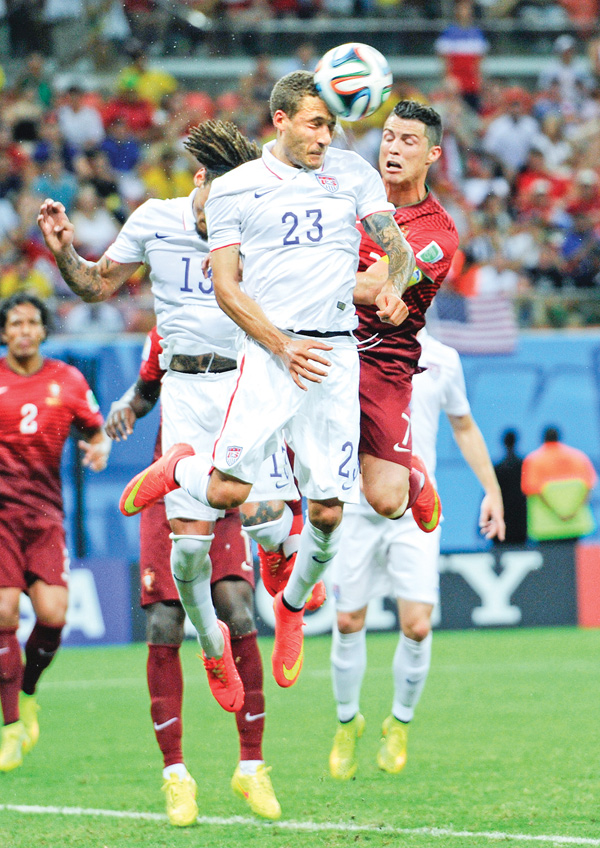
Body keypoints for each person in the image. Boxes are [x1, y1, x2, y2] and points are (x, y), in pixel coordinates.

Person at [38, 120, 306, 817]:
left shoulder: (255, 223)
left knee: (249, 579)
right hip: (184, 395)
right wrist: (65, 251)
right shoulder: (154, 220)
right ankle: (177, 773)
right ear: (196, 181)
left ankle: (253, 762)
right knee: (168, 612)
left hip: (244, 386)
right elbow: (96, 285)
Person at [119, 71, 415, 692]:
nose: (325, 136)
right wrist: (281, 347)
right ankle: (178, 468)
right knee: (227, 494)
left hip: (336, 355)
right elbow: (226, 287)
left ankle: (290, 607)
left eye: (332, 124)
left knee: (330, 514)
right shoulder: (239, 188)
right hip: (270, 352)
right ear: (279, 120)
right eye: (315, 123)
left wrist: (392, 281)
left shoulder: (353, 174)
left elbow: (394, 245)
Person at [105, 326, 281, 824]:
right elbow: (144, 393)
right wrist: (124, 409)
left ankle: (252, 765)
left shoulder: (250, 317)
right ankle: (176, 775)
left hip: (228, 480)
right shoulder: (171, 326)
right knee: (163, 623)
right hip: (172, 487)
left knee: (238, 607)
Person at [328, 327, 505, 781]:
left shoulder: (443, 359)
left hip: (415, 510)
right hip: (356, 505)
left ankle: (399, 723)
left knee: (418, 625)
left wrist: (492, 489)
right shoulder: (352, 345)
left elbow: (463, 426)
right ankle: (348, 722)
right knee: (348, 621)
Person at [0, 292, 110, 772]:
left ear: (44, 331)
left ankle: (27, 694)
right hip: (1, 517)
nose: (23, 330)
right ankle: (9, 729)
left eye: (31, 323)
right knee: (3, 612)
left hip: (45, 517)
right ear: (4, 334)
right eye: (14, 324)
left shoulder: (67, 380)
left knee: (53, 615)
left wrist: (100, 449)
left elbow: (96, 431)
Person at [352, 100, 460, 529]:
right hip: (324, 342)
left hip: (384, 359)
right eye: (389, 137)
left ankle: (413, 477)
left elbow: (376, 286)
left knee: (385, 500)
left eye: (408, 141)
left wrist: (300, 276)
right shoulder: (352, 193)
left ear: (432, 154)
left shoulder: (436, 231)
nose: (393, 149)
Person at [521, 426, 597, 542]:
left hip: (545, 527)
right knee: (572, 558)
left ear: (542, 439)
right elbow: (589, 487)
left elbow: (530, 489)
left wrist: (557, 513)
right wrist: (571, 513)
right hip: (574, 524)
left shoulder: (533, 460)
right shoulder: (578, 457)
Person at [493, 429, 528, 545]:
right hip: (521, 519)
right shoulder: (524, 466)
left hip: (501, 519)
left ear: (503, 443)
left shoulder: (498, 468)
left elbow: (491, 495)